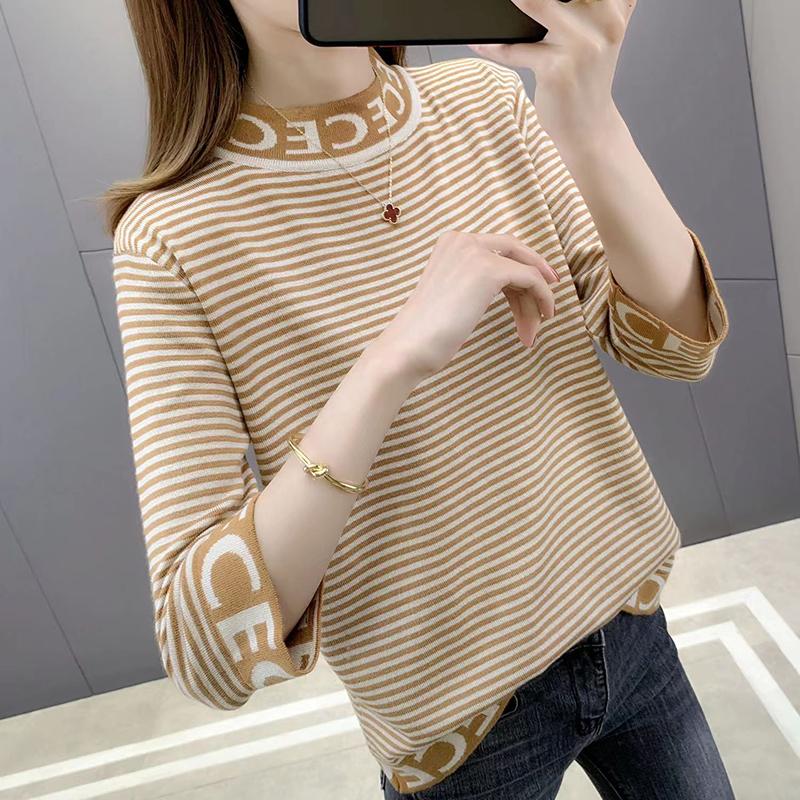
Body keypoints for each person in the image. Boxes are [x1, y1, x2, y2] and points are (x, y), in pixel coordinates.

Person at [103, 0, 736, 797]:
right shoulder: (171, 239)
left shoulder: (486, 102)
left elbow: (676, 347)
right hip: (459, 736)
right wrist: (389, 364)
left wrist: (595, 127)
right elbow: (205, 649)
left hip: (632, 629)